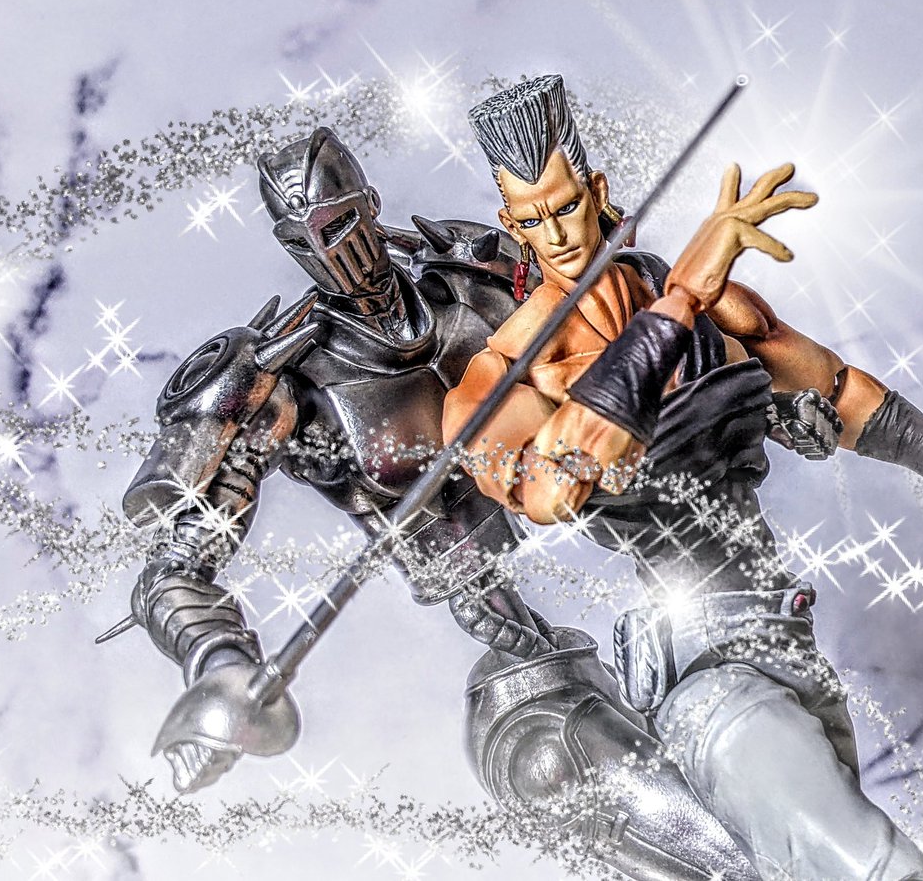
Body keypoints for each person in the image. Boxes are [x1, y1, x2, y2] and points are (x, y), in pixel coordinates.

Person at [445, 74, 923, 881]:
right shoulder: (505, 376)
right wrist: (676, 303)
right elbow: (555, 487)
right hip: (705, 678)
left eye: (564, 206)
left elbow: (835, 389)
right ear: (510, 225)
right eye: (531, 219)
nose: (555, 233)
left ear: (595, 191)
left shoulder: (718, 308)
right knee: (879, 871)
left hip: (787, 637)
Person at [110, 126, 762, 880]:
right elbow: (176, 568)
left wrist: (773, 402)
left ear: (369, 203)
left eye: (341, 223)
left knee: (745, 676)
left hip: (648, 533)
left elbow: (636, 332)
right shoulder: (286, 384)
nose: (333, 251)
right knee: (552, 755)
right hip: (513, 645)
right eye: (304, 239)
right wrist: (218, 666)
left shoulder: (476, 273)